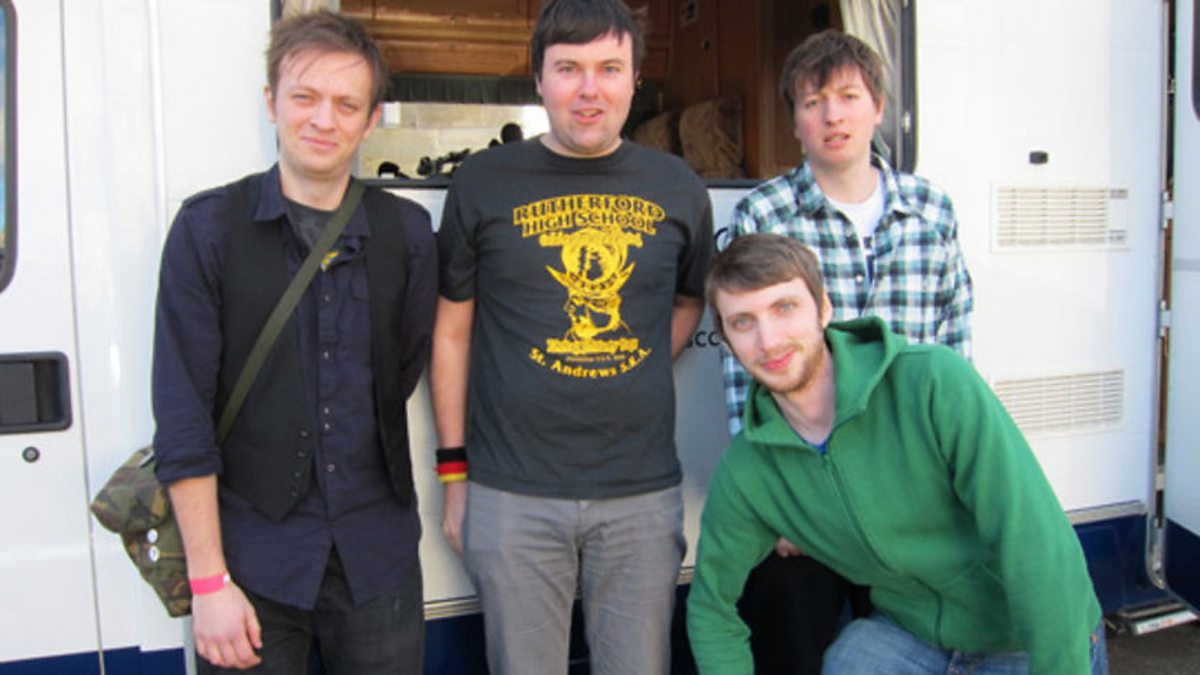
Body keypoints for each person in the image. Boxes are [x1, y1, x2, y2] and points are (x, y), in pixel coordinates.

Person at [431, 0, 713, 672]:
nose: (590, 89)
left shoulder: (679, 187)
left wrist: (637, 360)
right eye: (568, 69)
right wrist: (454, 475)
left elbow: (689, 300)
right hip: (511, 493)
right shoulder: (481, 183)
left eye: (609, 68)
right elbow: (451, 334)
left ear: (634, 79)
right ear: (539, 79)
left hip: (641, 492)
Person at [152, 11, 436, 674]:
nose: (323, 120)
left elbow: (402, 369)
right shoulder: (207, 229)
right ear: (271, 102)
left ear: (371, 120)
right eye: (304, 97)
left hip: (378, 559)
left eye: (346, 104)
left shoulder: (408, 234)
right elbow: (184, 415)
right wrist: (208, 582)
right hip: (249, 563)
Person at [688, 233, 1106, 675]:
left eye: (785, 307)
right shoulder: (749, 468)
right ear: (726, 342)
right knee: (851, 660)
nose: (769, 341)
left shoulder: (931, 382)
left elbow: (1035, 543)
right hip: (913, 633)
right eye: (743, 322)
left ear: (824, 308)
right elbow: (711, 606)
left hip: (1019, 635)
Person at [721, 30, 974, 673]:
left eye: (848, 96)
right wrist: (772, 502)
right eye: (812, 103)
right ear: (795, 122)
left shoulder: (931, 210)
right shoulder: (765, 212)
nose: (832, 116)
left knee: (910, 646)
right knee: (789, 637)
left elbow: (955, 343)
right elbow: (741, 371)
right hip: (808, 492)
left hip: (910, 486)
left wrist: (954, 480)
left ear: (878, 107)